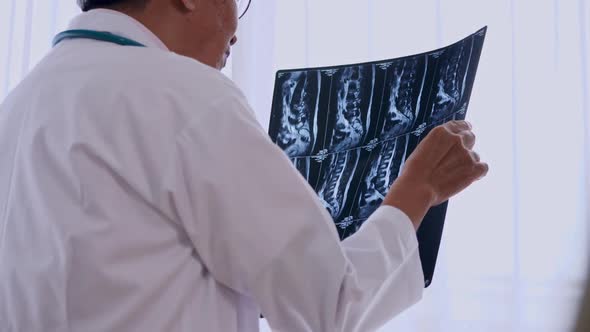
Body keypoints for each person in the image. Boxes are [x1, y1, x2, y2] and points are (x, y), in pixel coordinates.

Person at [0, 0, 489, 331]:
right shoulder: (186, 96)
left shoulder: (19, 105)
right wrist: (416, 190)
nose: (237, 25)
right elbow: (331, 304)